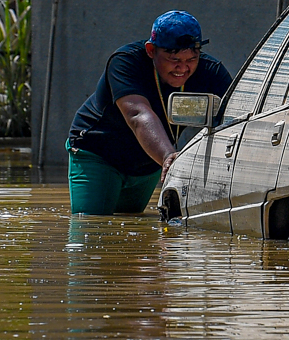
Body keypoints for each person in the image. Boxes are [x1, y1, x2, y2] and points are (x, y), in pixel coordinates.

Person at [66, 11, 232, 214]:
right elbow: (138, 115)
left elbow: (235, 116)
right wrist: (168, 155)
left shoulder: (211, 72)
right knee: (92, 226)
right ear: (151, 50)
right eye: (174, 59)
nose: (182, 68)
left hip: (150, 162)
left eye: (191, 59)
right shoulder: (126, 62)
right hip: (99, 154)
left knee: (131, 225)